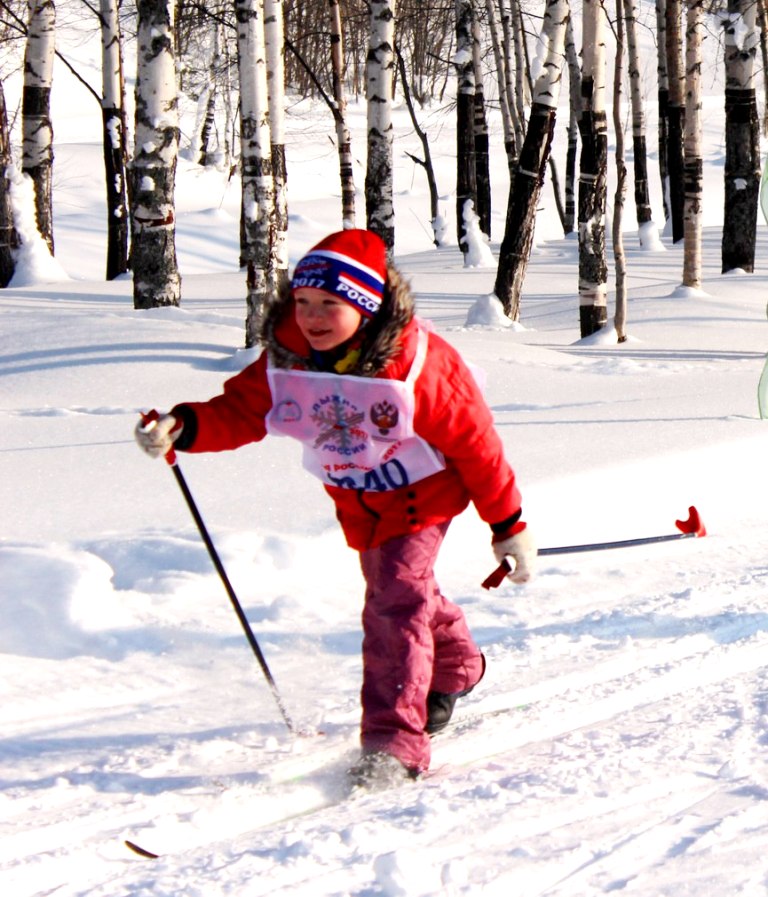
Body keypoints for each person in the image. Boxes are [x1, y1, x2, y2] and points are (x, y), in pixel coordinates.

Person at [135, 229, 536, 788]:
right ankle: (457, 665)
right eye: (303, 302)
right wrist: (185, 426)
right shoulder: (290, 359)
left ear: (366, 307)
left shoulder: (420, 365)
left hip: (424, 495)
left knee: (394, 602)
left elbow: (477, 445)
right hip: (357, 499)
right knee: (405, 591)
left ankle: (394, 744)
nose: (312, 317)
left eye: (330, 304)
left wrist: (507, 524)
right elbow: (244, 409)